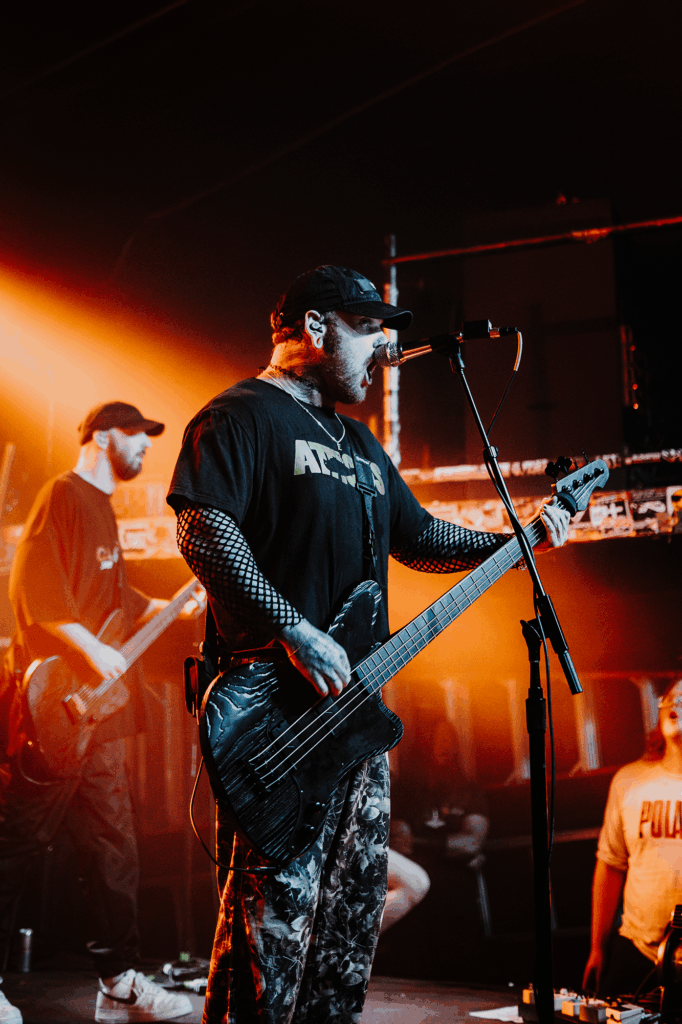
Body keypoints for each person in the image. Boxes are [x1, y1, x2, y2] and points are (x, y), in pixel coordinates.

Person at [167, 264, 571, 1024]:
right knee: (271, 940)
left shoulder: (359, 442)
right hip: (274, 719)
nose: (383, 348)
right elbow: (202, 531)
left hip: (354, 722)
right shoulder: (240, 416)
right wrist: (294, 629)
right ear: (314, 328)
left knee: (347, 935)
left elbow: (421, 539)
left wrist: (515, 541)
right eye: (367, 329)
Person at [0, 402, 204, 1024]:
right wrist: (91, 650)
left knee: (114, 846)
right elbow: (35, 589)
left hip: (101, 713)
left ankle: (119, 982)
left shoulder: (104, 509)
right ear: (102, 436)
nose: (146, 447)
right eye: (137, 435)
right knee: (17, 845)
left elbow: (112, 598)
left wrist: (167, 608)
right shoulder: (62, 496)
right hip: (59, 709)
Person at [583, 677, 682, 998]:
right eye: (672, 699)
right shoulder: (629, 781)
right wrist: (598, 948)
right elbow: (610, 865)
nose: (677, 703)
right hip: (637, 950)